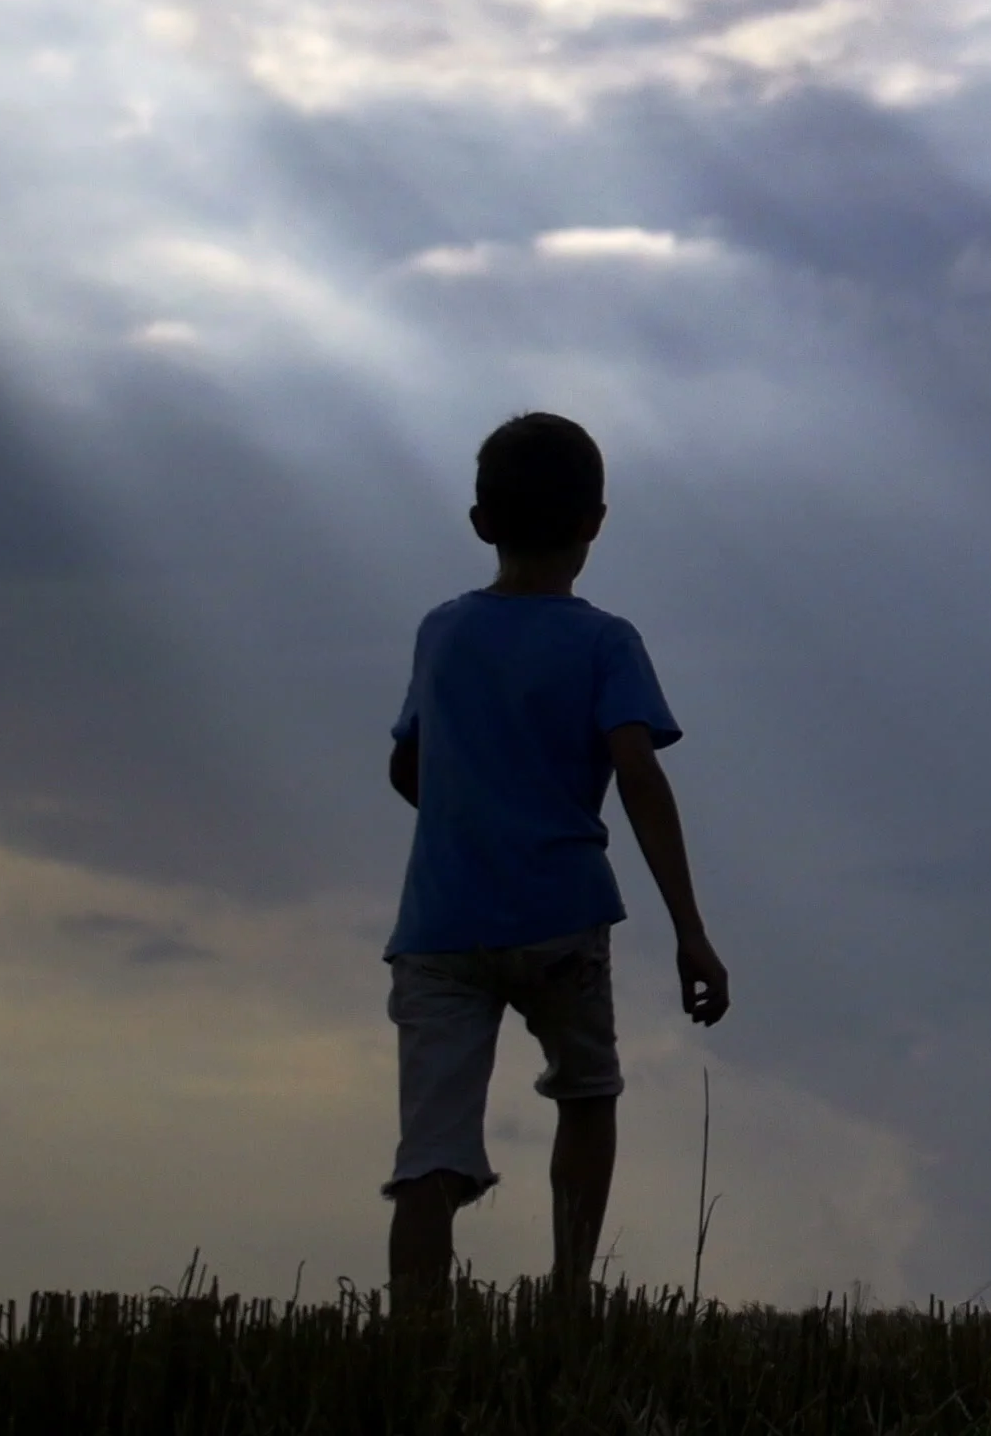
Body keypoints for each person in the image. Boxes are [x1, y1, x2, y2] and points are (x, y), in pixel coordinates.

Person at [380, 412, 728, 1316]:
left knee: (429, 1152)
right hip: (562, 915)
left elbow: (407, 768)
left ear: (480, 522)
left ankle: (413, 1342)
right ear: (596, 522)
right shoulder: (606, 642)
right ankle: (569, 1295)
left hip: (441, 925)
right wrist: (691, 932)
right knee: (586, 1092)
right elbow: (640, 780)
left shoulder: (442, 633)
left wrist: (478, 810)